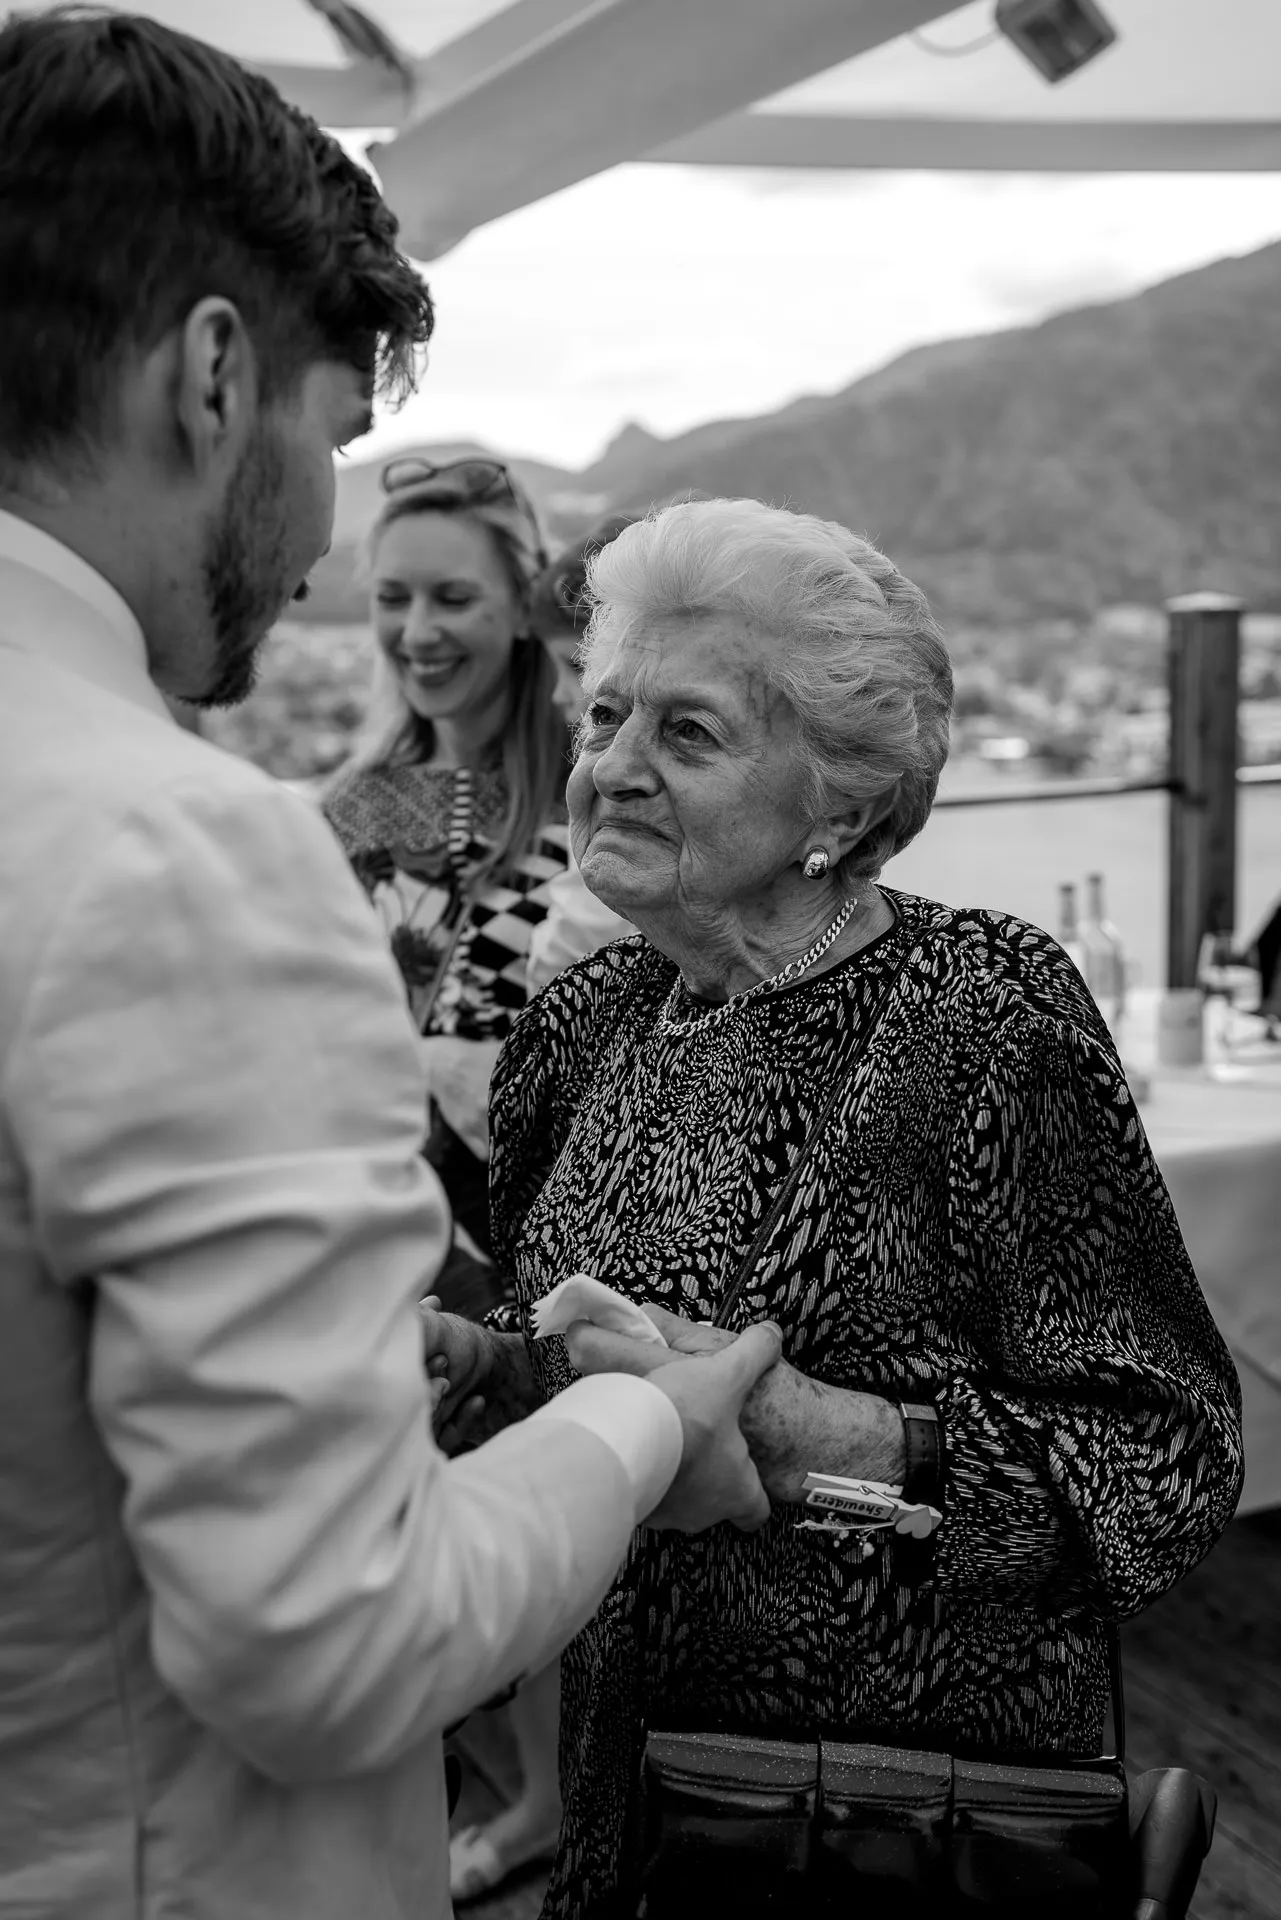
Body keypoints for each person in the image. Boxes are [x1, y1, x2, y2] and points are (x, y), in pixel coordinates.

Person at [0, 20, 784, 1920]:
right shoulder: (185, 848)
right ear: (211, 374)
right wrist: (636, 1426)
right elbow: (330, 1647)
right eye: (328, 446)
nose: (328, 556)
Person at [424, 498, 1245, 1920]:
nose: (609, 768)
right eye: (607, 715)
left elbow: (1163, 1461)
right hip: (634, 1806)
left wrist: (830, 1443)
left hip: (884, 1827)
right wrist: (494, 1369)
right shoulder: (582, 1026)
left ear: (842, 805)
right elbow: (574, 1337)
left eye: (685, 734)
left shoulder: (983, 1015)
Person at [321, 461, 615, 1898]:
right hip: (384, 1202)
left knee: (524, 1477)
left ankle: (553, 1794)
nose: (418, 629)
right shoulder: (351, 809)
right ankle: (464, 1765)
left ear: (517, 605)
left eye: (452, 596)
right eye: (391, 598)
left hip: (530, 1210)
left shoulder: (586, 804)